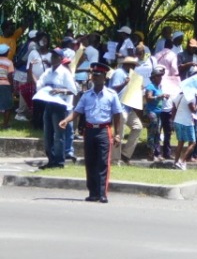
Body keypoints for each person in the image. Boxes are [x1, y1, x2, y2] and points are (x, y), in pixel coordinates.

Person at [59, 62, 122, 203]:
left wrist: (117, 134)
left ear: (104, 78)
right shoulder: (86, 95)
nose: (95, 78)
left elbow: (117, 114)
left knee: (103, 162)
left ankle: (102, 193)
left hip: (104, 130)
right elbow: (77, 112)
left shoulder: (111, 95)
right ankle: (93, 193)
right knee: (90, 162)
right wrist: (66, 120)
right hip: (89, 131)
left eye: (98, 75)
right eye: (93, 75)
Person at [36, 48, 78, 169]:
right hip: (49, 104)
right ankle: (51, 159)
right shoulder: (48, 72)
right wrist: (43, 87)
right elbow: (39, 83)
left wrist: (61, 90)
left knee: (59, 135)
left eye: (55, 57)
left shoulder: (64, 73)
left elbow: (74, 90)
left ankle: (59, 161)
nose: (53, 58)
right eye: (52, 56)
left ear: (60, 59)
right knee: (47, 134)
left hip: (60, 106)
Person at [109, 56, 142, 164]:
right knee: (119, 134)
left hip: (128, 107)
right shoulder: (119, 72)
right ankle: (115, 159)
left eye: (134, 66)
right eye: (132, 65)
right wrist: (125, 83)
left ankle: (125, 154)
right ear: (126, 64)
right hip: (119, 107)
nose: (133, 67)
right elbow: (112, 89)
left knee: (138, 127)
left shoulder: (130, 75)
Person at [172, 68, 197, 170]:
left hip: (178, 120)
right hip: (186, 121)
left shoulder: (181, 91)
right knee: (193, 143)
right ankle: (181, 161)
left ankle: (175, 162)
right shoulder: (191, 93)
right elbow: (193, 110)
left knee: (181, 142)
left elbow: (174, 105)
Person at [145, 65, 169, 161]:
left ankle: (157, 153)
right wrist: (159, 97)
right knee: (152, 132)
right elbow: (148, 98)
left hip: (158, 112)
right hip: (152, 112)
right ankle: (150, 153)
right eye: (158, 76)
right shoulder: (150, 86)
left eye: (161, 76)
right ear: (154, 77)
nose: (160, 78)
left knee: (158, 133)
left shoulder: (158, 87)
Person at [0, 44, 15, 129]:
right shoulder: (9, 62)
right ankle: (5, 124)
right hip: (5, 85)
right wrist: (12, 86)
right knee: (7, 105)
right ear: (6, 53)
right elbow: (10, 75)